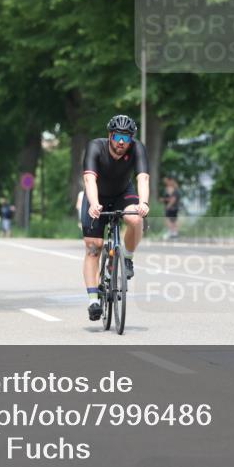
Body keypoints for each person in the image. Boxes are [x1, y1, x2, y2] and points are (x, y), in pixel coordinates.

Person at [80, 114, 150, 321]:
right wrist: (93, 203)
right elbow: (89, 179)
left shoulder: (137, 149)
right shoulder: (95, 147)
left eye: (126, 138)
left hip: (122, 193)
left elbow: (143, 178)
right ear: (110, 135)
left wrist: (143, 203)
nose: (121, 142)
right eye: (118, 136)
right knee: (94, 246)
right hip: (97, 196)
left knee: (136, 219)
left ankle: (126, 258)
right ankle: (93, 300)